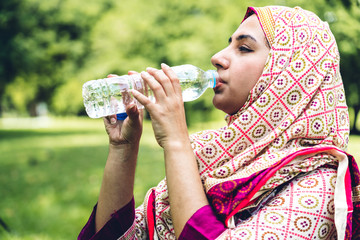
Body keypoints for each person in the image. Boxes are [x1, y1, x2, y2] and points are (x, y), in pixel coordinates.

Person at [78, 5, 360, 240]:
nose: (217, 58)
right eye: (228, 45)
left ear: (290, 76)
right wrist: (123, 149)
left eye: (244, 48)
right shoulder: (216, 158)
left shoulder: (320, 185)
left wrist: (176, 142)